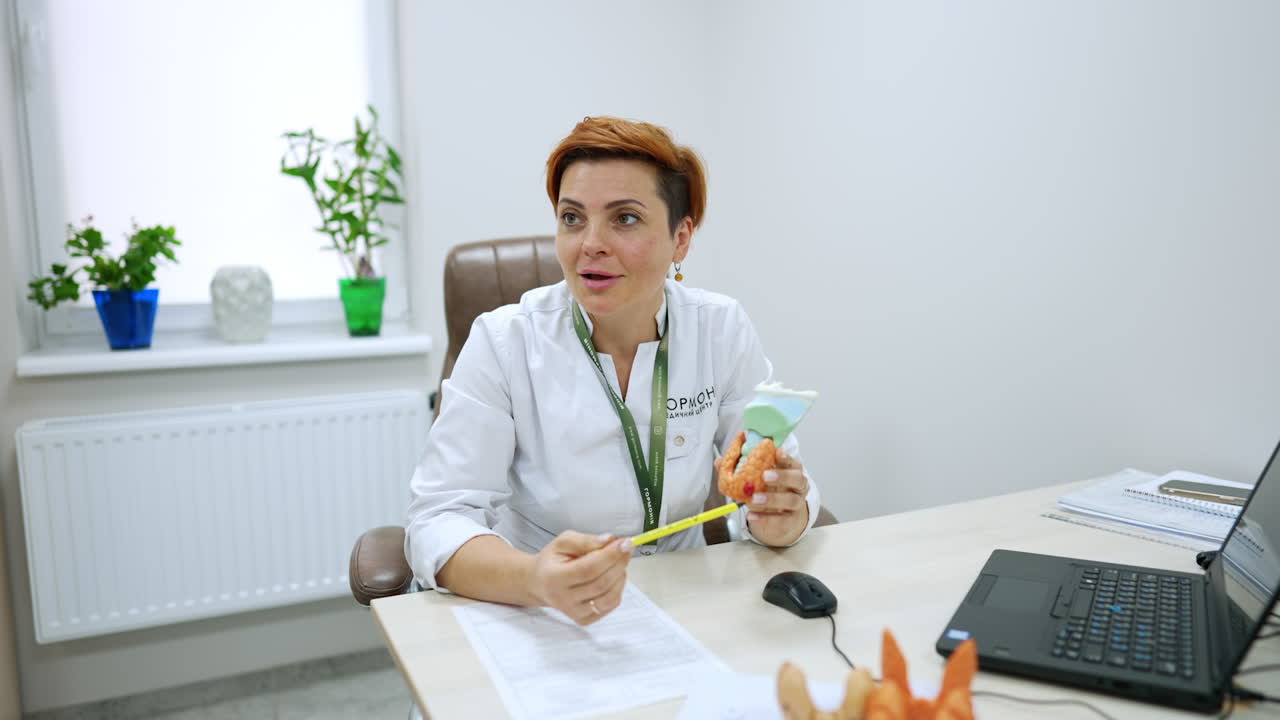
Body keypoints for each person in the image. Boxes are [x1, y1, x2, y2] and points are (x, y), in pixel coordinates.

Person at [405, 116, 820, 626]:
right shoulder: (503, 341)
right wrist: (534, 578)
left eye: (624, 218)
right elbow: (439, 517)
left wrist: (781, 516)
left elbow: (777, 472)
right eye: (572, 218)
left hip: (687, 600)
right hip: (540, 609)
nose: (591, 243)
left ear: (681, 239)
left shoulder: (720, 328)